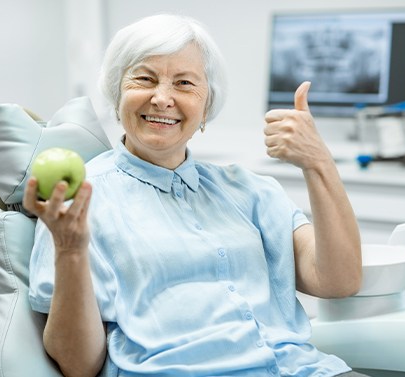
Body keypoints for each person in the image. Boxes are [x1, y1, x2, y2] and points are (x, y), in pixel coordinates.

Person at [24, 13, 365, 377]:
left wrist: (318, 163)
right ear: (117, 92)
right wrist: (70, 249)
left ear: (206, 108)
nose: (161, 98)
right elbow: (79, 365)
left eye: (184, 83)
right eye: (144, 78)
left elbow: (338, 280)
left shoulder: (250, 190)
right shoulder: (78, 205)